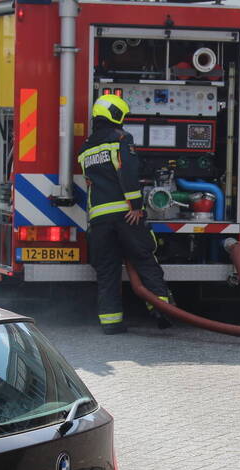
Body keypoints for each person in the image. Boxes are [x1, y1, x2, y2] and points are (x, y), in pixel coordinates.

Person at [77, 94, 172, 334]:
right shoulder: (121, 139)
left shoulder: (86, 148)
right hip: (125, 214)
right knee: (144, 259)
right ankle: (162, 310)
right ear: (114, 115)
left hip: (99, 220)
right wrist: (137, 206)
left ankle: (111, 323)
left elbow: (90, 181)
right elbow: (127, 172)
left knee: (107, 271)